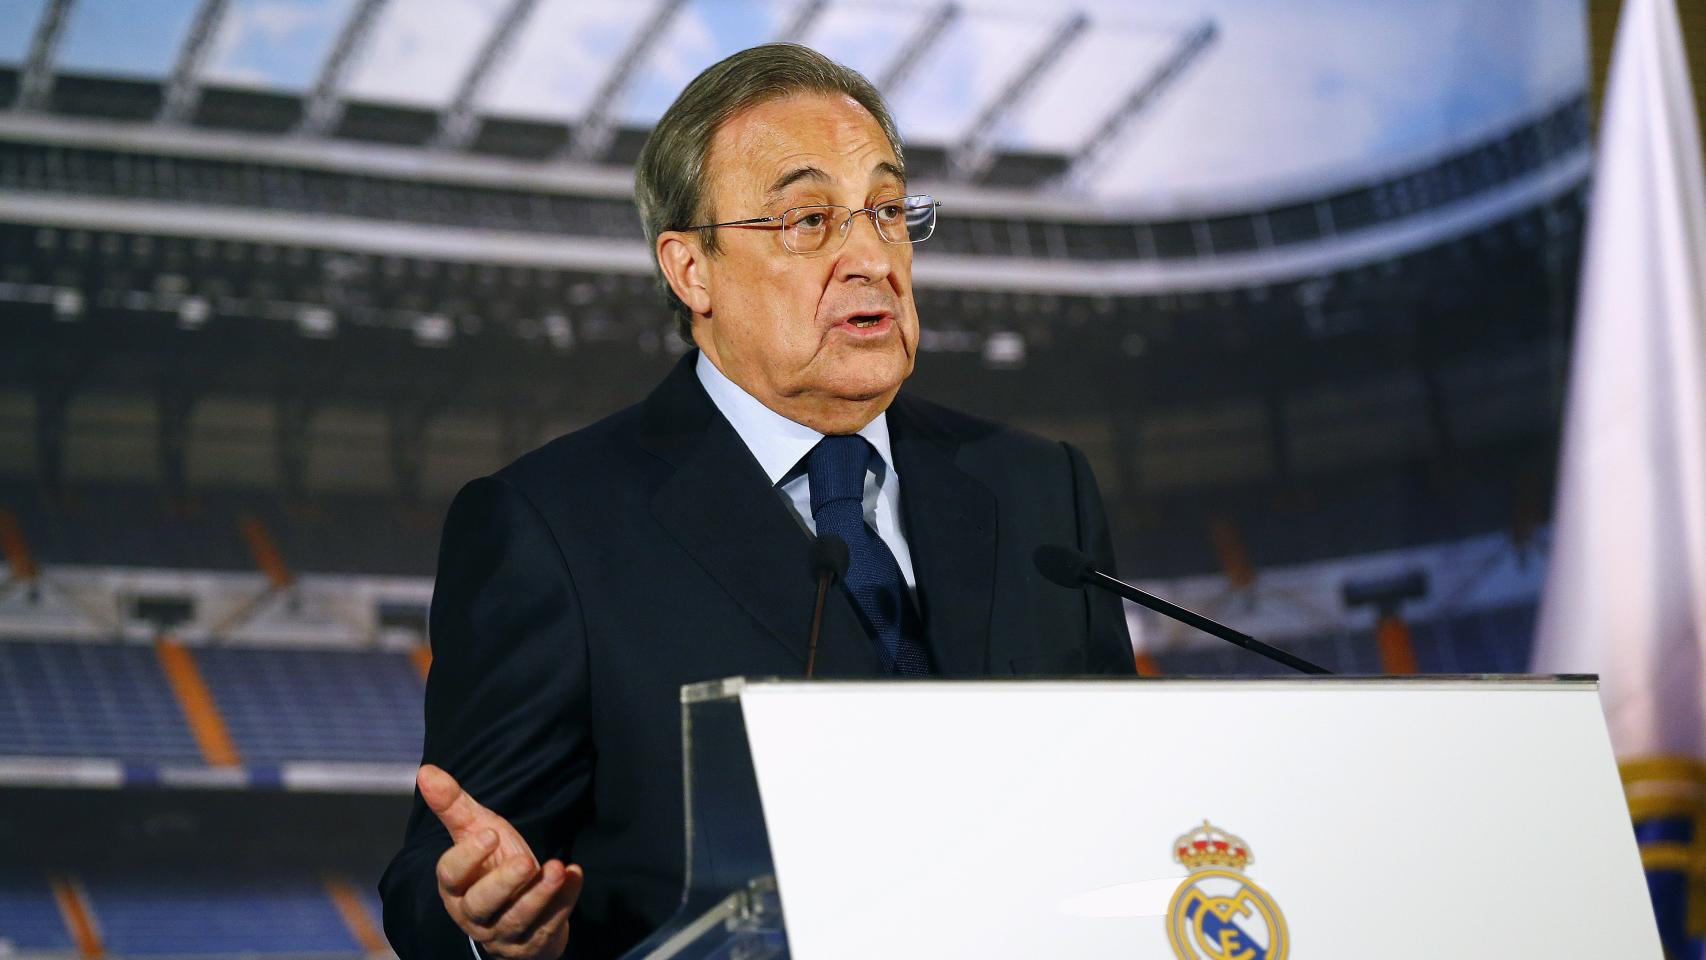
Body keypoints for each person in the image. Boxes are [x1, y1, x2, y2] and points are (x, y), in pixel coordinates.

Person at [379, 43, 1135, 960]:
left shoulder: (1039, 489)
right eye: (808, 219)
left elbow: (1116, 805)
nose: (870, 257)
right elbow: (441, 879)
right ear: (691, 270)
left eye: (888, 211)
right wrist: (484, 924)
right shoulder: (551, 529)